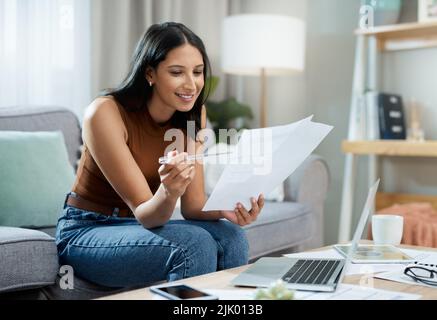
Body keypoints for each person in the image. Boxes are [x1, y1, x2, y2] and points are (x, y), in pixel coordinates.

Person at [55, 22, 265, 288]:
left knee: (231, 236)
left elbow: (193, 205)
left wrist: (227, 209)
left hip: (135, 227)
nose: (192, 84)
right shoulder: (105, 113)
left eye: (198, 72)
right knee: (194, 244)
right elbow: (147, 213)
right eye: (177, 72)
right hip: (86, 231)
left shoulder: (193, 114)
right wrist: (168, 191)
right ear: (150, 73)